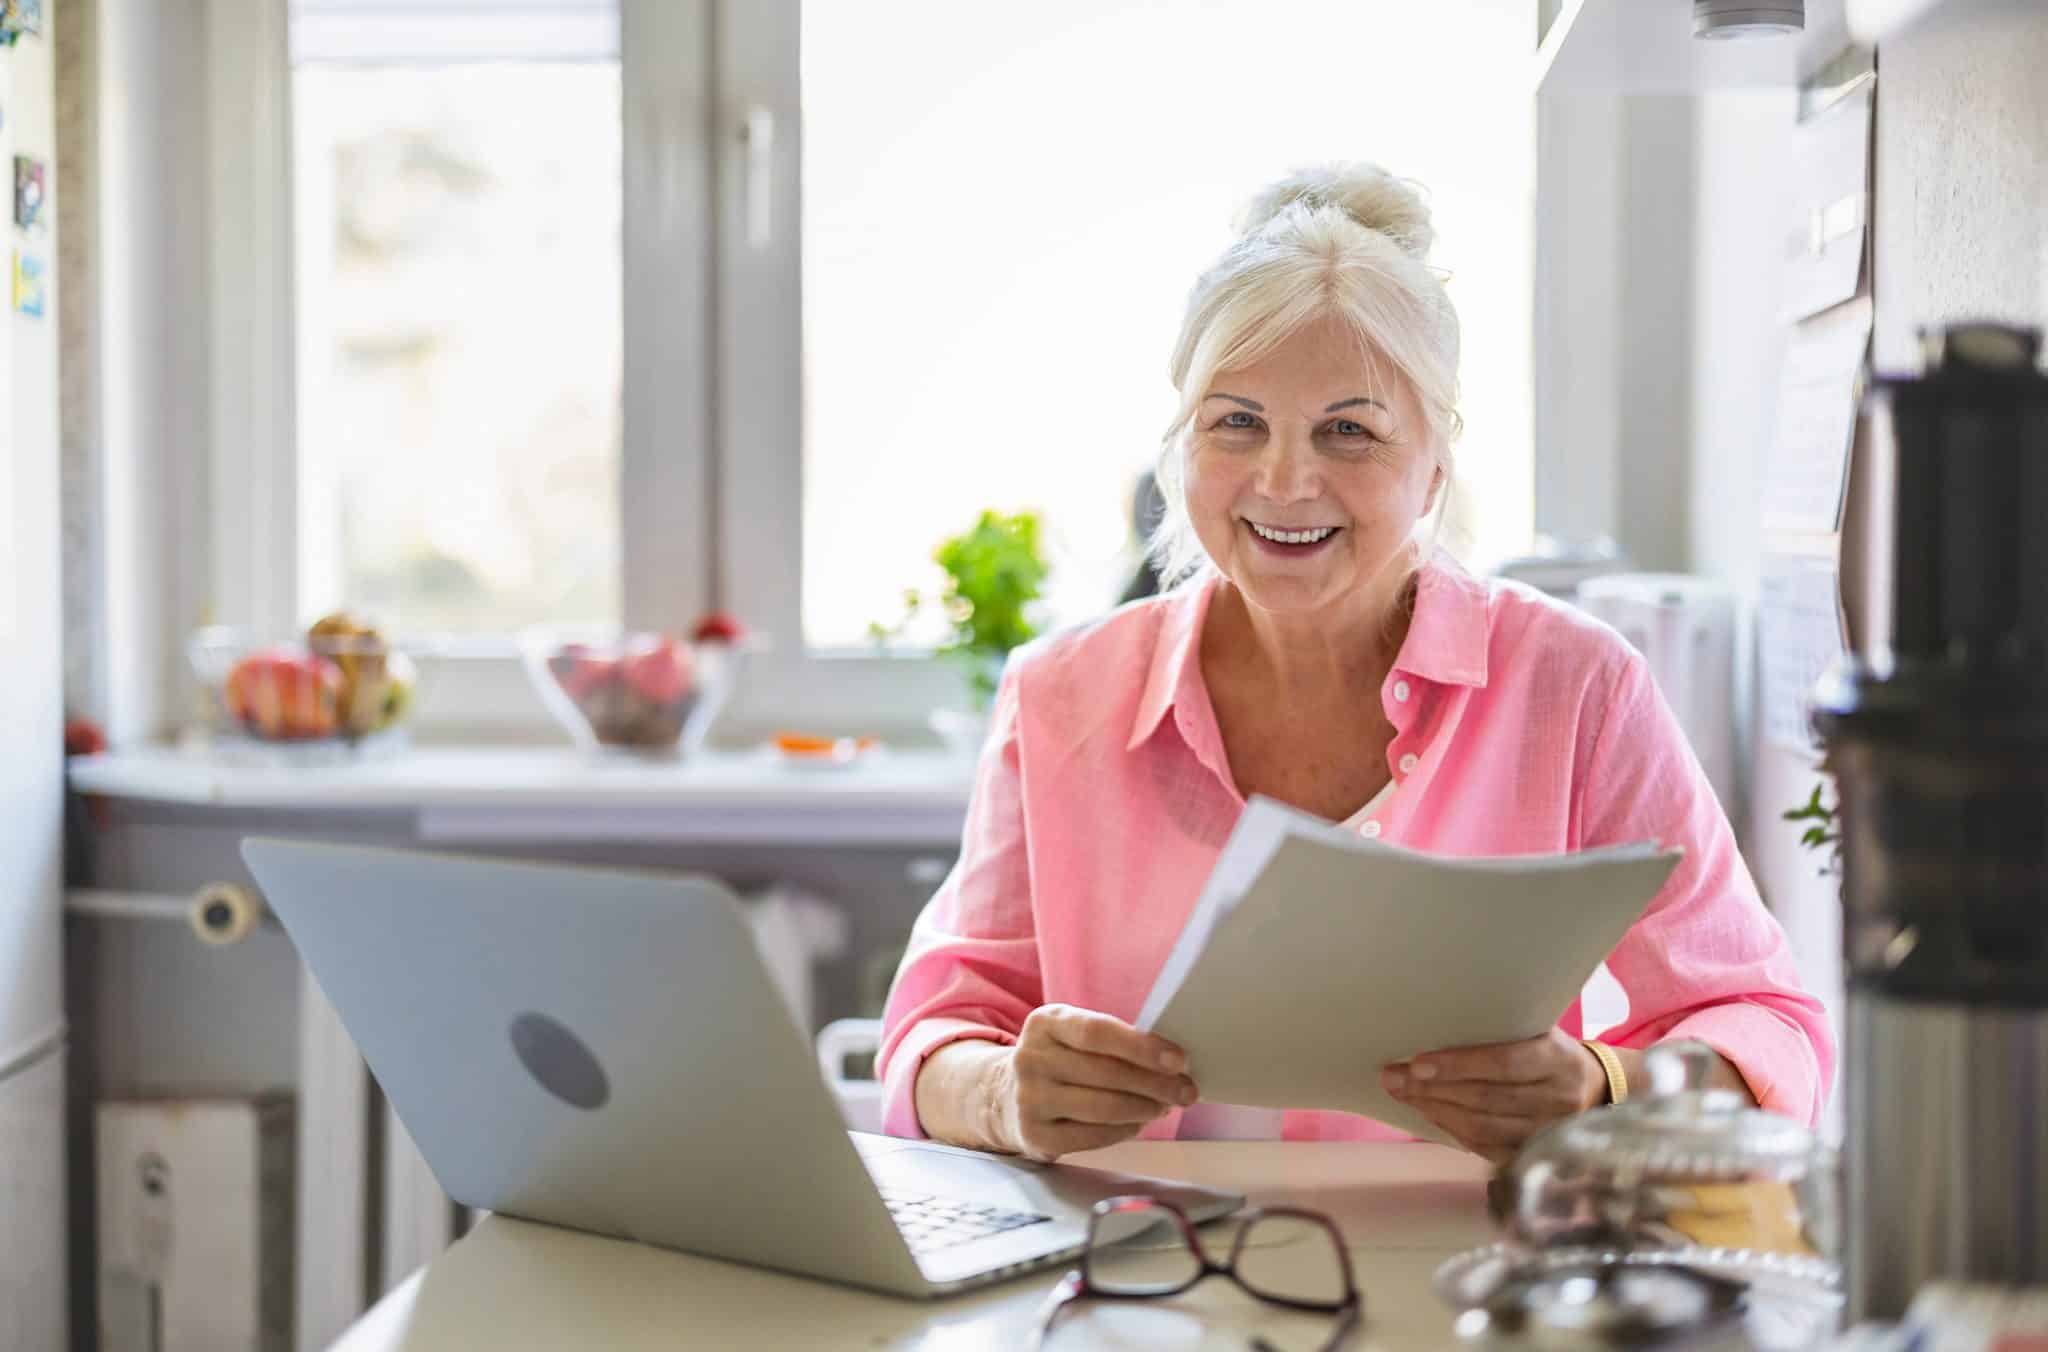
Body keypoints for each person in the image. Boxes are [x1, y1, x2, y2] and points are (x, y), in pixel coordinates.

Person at [877, 164, 1832, 1165]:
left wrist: (1605, 1086)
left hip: (1457, 1283)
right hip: (1140, 1286)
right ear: (1180, 445)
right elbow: (929, 1038)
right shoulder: (1059, 694)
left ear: (1434, 460)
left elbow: (1771, 1033)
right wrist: (1000, 1091)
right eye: (1234, 421)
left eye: (1348, 430)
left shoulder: (1573, 684)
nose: (1285, 480)